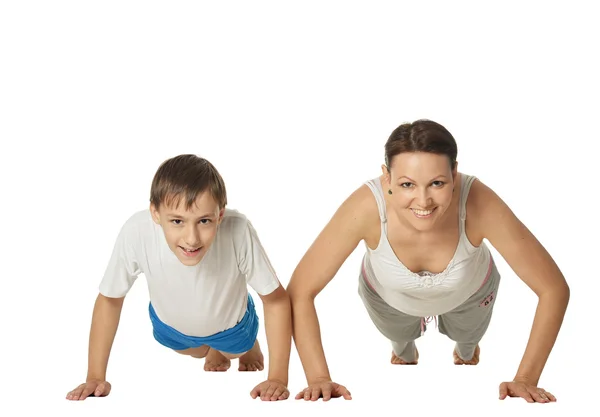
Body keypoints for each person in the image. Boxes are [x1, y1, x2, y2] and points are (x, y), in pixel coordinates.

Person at [287, 119, 569, 404]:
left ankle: (467, 348)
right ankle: (404, 348)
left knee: (468, 344)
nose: (423, 201)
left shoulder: (479, 203)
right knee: (400, 343)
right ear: (386, 177)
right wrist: (318, 378)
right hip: (389, 296)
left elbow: (553, 289)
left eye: (437, 183)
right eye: (407, 184)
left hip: (470, 292)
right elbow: (300, 290)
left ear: (454, 173)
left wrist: (525, 380)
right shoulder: (365, 207)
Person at [66, 154, 292, 402]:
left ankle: (245, 344)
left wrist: (277, 378)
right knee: (196, 353)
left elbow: (276, 300)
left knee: (234, 351)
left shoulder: (238, 229)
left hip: (232, 327)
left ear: (220, 215)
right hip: (171, 328)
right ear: (155, 213)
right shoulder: (136, 231)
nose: (191, 238)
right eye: (177, 221)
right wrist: (95, 375)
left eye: (204, 221)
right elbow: (110, 298)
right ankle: (211, 349)